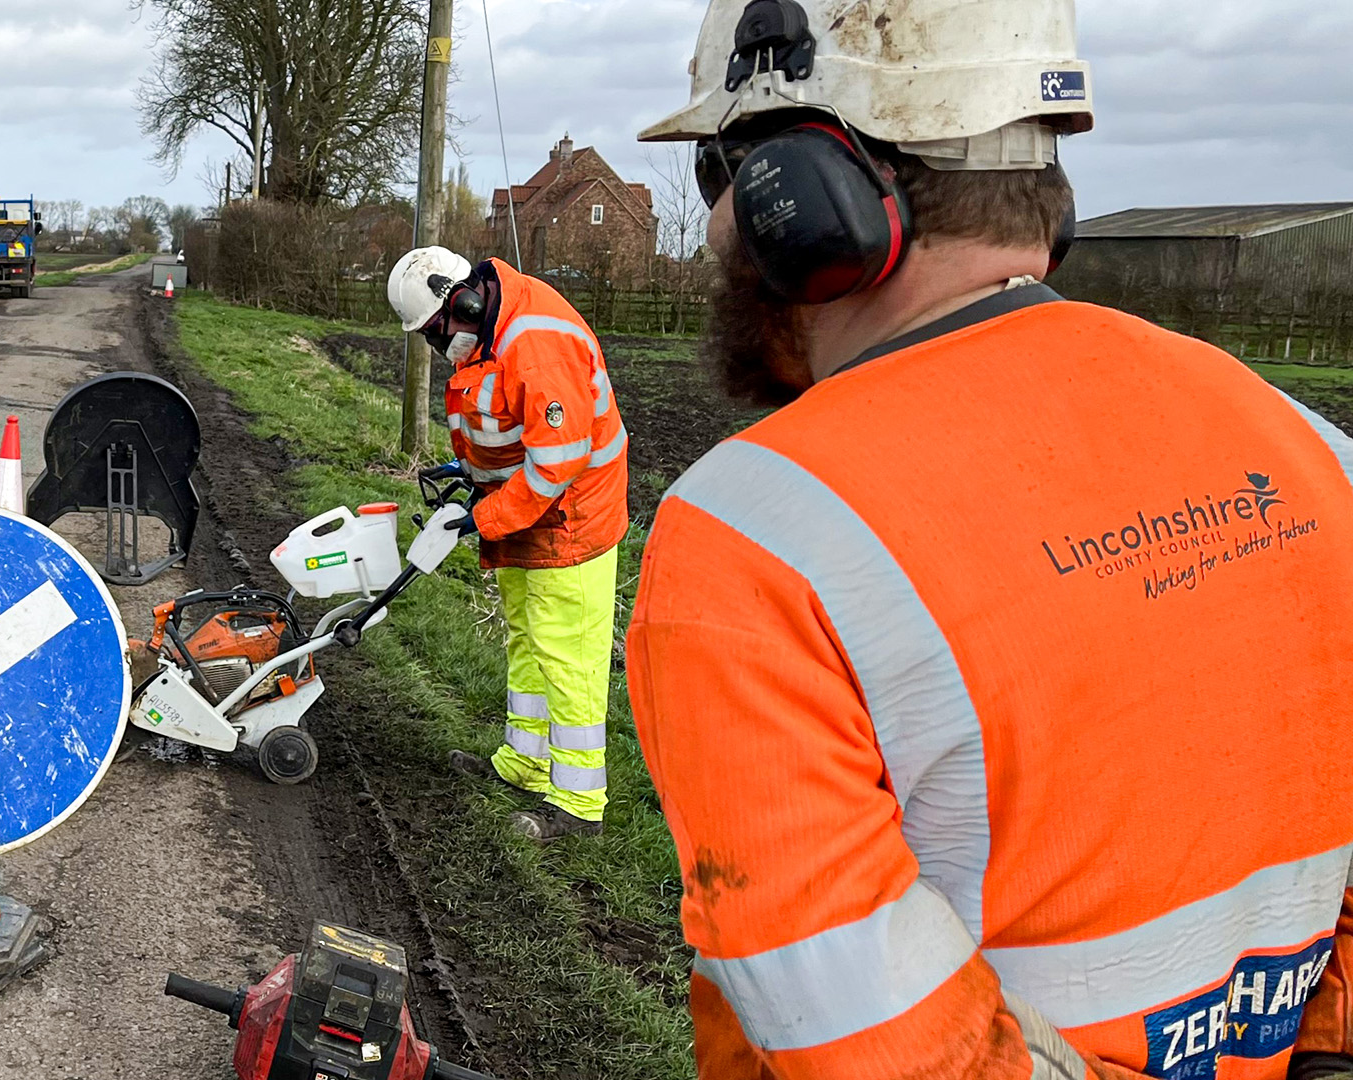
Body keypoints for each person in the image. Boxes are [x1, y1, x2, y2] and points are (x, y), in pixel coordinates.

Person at [626, 0, 1353, 1077]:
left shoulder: (750, 543)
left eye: (719, 180)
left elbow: (871, 1047)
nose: (718, 230)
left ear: (802, 196)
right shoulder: (1312, 448)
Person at [387, 247, 630, 841]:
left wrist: (483, 517)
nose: (435, 348)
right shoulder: (493, 326)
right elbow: (508, 423)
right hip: (527, 516)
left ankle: (578, 803)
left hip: (569, 521)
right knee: (527, 637)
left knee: (567, 655)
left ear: (462, 303)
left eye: (432, 334)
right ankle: (525, 764)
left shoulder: (537, 346)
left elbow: (556, 464)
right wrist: (464, 467)